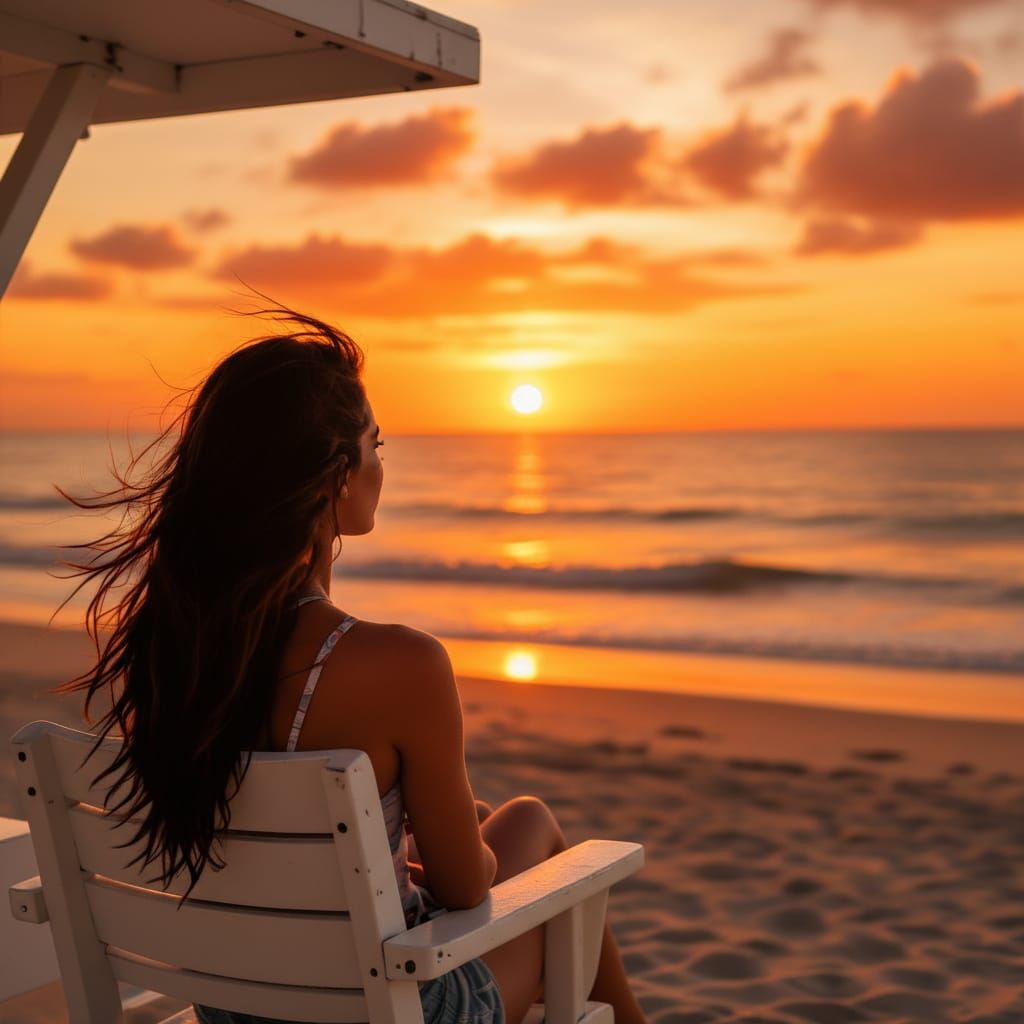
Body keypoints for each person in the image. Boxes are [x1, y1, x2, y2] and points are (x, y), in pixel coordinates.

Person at [61, 307, 648, 1024]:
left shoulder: (173, 653)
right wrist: (471, 855)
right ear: (337, 477)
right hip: (387, 1010)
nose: (382, 463)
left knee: (491, 817)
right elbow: (467, 889)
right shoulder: (403, 664)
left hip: (239, 1007)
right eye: (376, 445)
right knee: (531, 826)